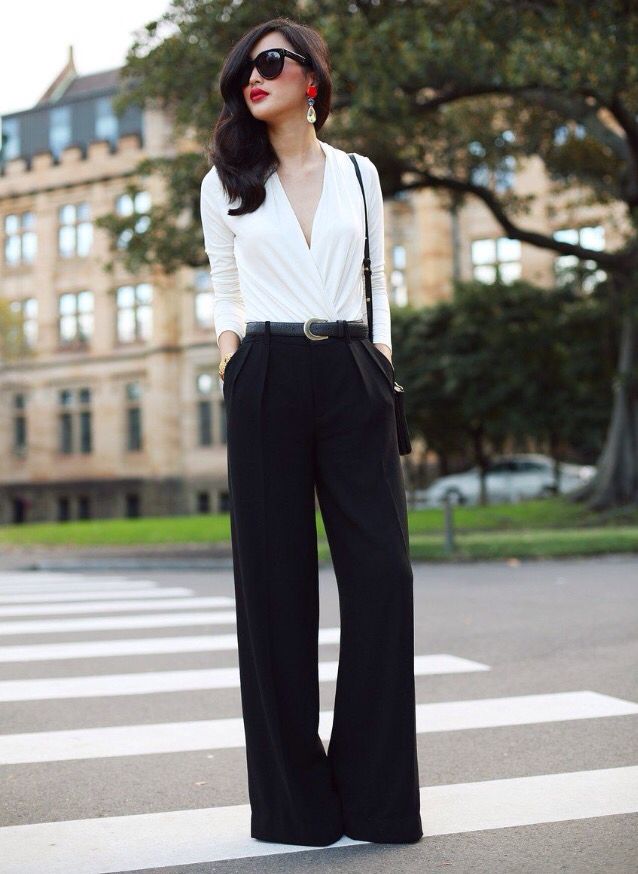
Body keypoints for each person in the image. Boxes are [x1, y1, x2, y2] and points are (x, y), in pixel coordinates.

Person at [199, 16, 423, 848]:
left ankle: (375, 800)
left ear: (310, 79)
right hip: (262, 374)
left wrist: (380, 358)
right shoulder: (223, 179)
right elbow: (224, 285)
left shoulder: (360, 174)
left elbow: (379, 278)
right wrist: (232, 360)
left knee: (382, 580)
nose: (252, 79)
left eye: (268, 63)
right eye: (242, 72)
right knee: (273, 591)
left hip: (353, 369)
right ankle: (297, 808)